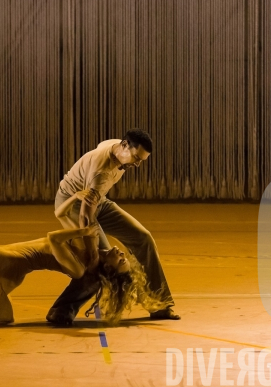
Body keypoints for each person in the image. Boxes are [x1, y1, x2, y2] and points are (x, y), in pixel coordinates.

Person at [0, 190, 167, 329]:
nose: (121, 253)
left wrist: (80, 232)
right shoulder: (91, 248)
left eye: (121, 260)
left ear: (108, 268)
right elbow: (60, 214)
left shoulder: (79, 269)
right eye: (124, 257)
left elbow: (53, 238)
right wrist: (75, 196)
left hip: (12, 260)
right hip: (12, 250)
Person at [47, 128, 179, 326]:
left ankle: (159, 304)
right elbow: (84, 214)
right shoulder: (101, 171)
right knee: (102, 261)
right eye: (136, 158)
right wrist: (93, 253)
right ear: (125, 146)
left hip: (98, 201)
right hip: (73, 203)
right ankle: (62, 309)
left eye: (142, 160)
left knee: (143, 238)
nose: (137, 164)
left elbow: (94, 197)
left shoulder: (115, 146)